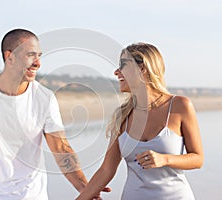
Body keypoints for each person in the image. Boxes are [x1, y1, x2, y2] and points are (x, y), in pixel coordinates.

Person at [0, 28, 108, 200]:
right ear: (10, 56)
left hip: (31, 196)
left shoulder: (44, 98)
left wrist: (87, 189)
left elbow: (61, 149)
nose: (38, 63)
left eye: (39, 55)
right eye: (30, 55)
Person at [76, 42, 204, 200]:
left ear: (142, 68)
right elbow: (106, 170)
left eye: (123, 66)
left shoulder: (180, 106)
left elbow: (197, 158)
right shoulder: (122, 116)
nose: (116, 72)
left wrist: (165, 159)